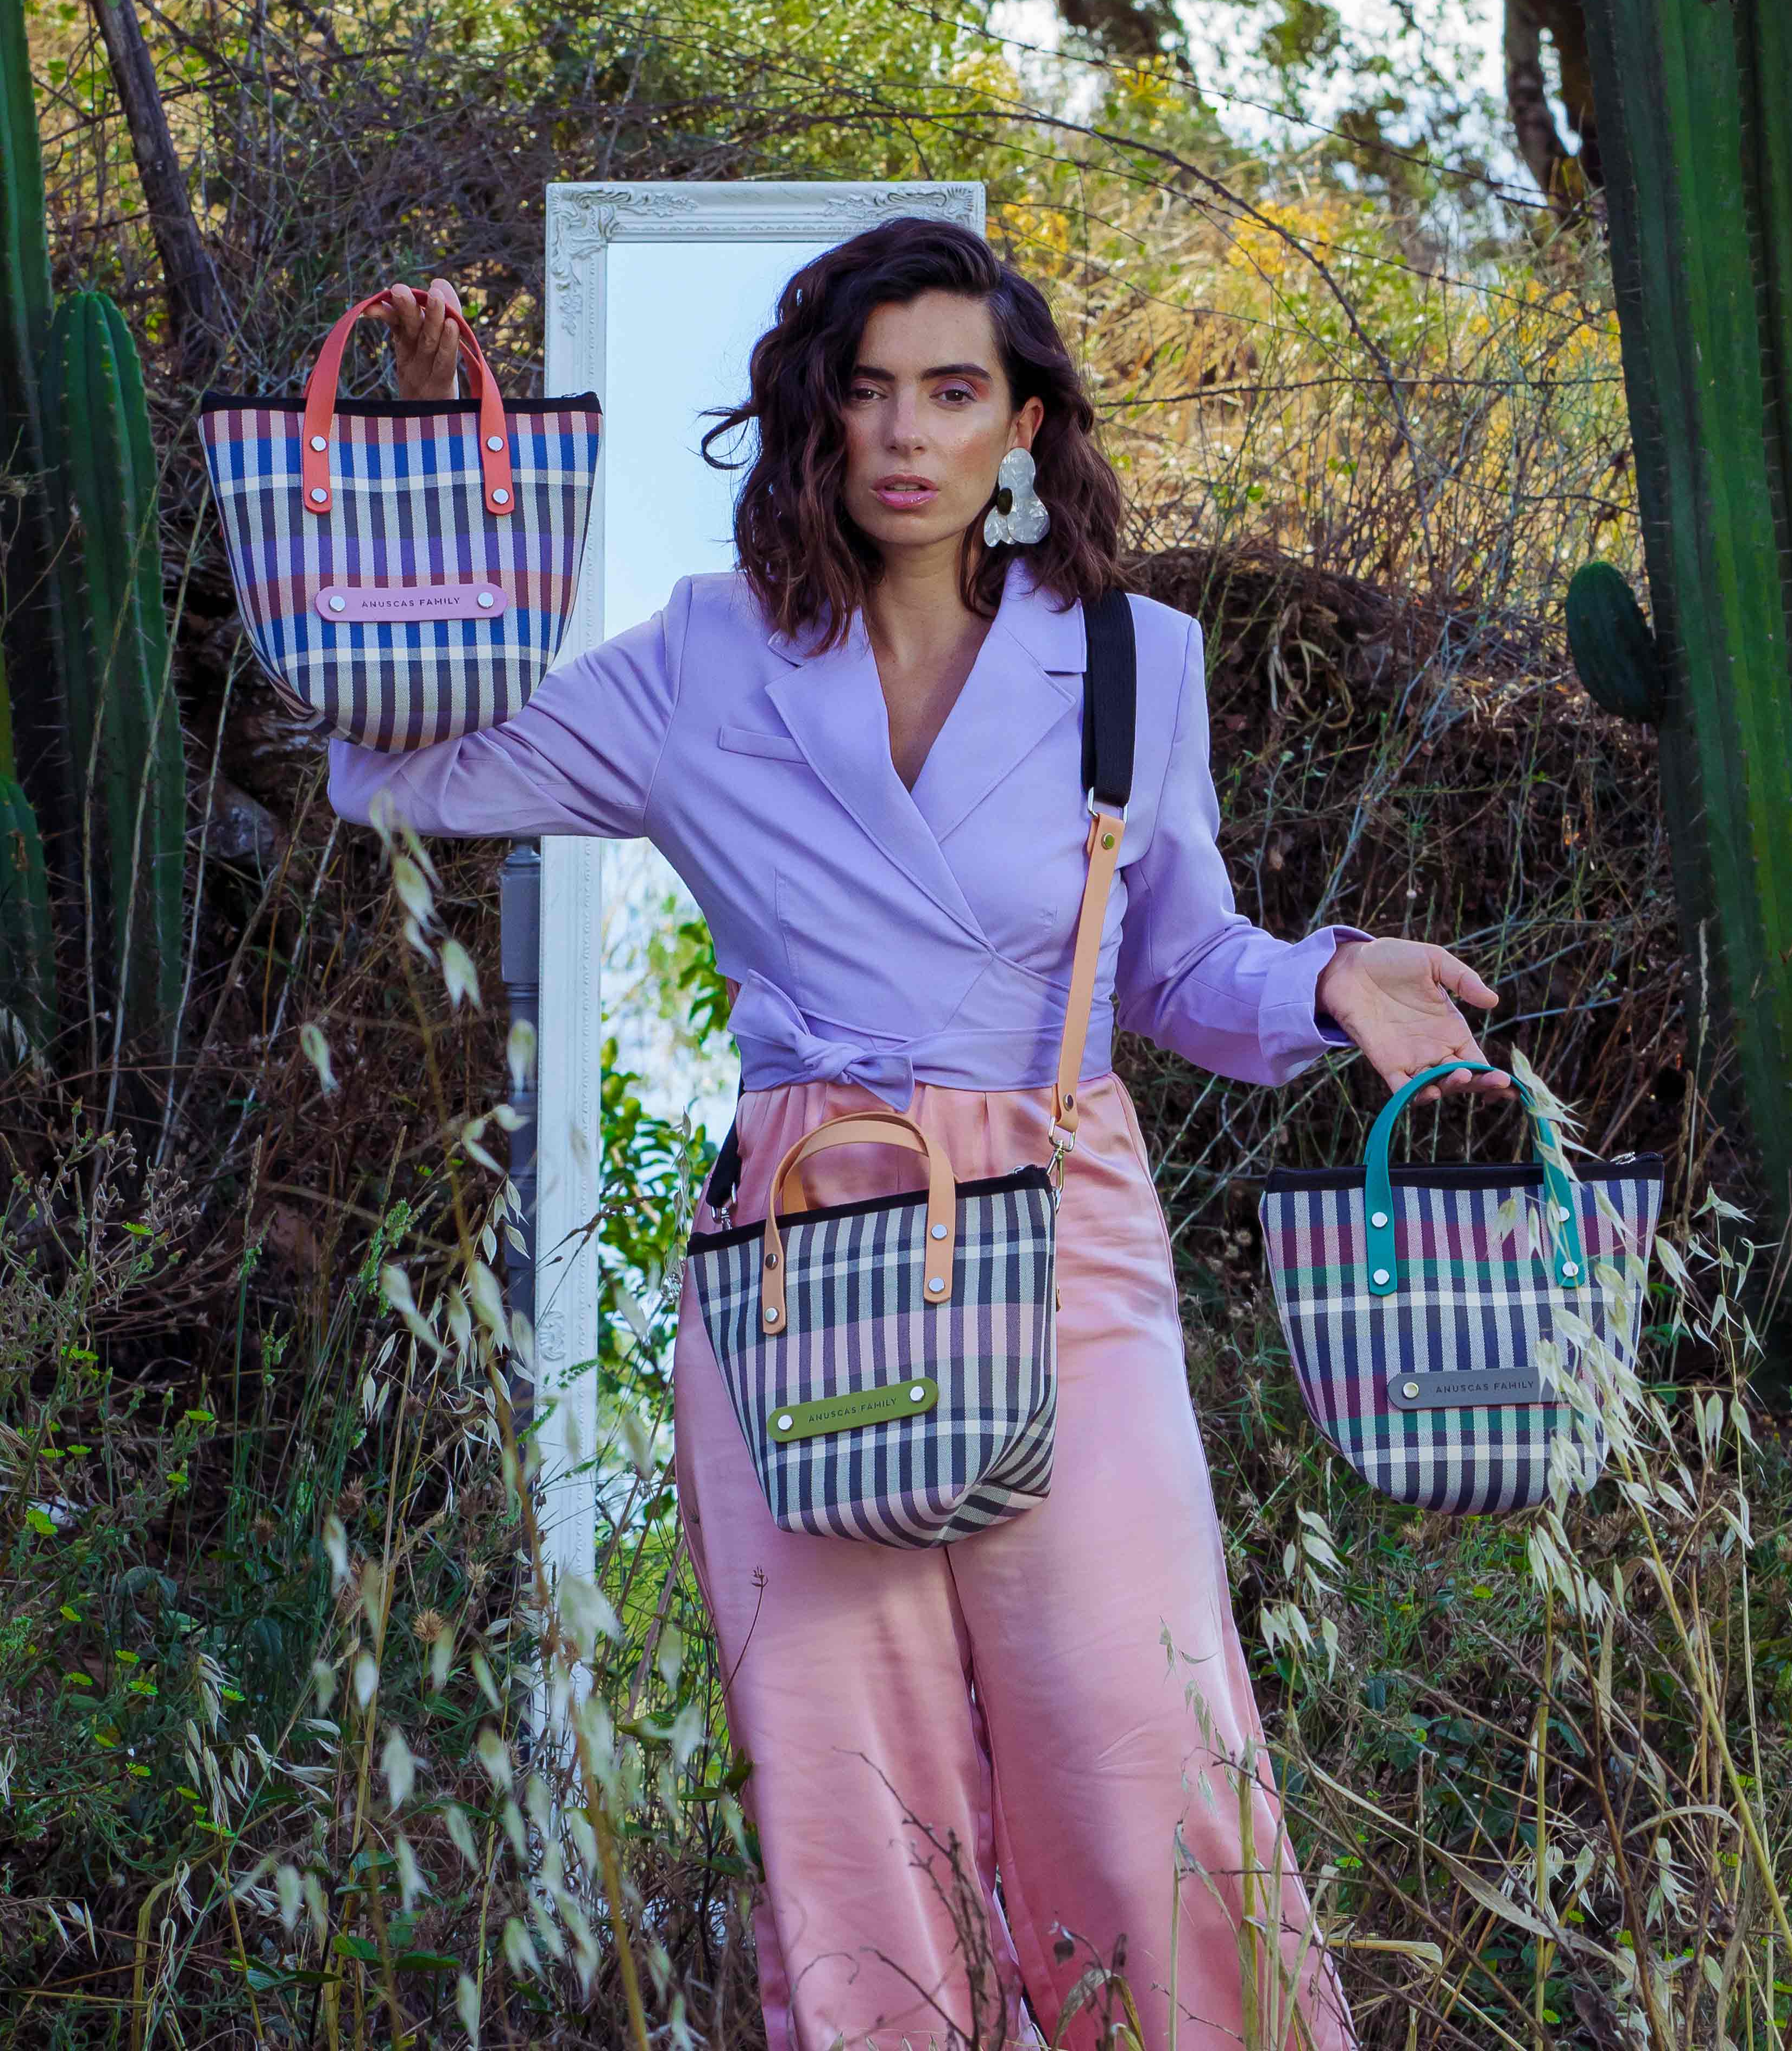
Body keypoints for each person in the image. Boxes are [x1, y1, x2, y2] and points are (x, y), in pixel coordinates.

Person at [332, 221, 1510, 2051]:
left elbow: (1177, 966)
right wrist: (427, 478)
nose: (905, 433)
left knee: (1143, 1752)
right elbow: (406, 765)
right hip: (807, 1245)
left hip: (1066, 1235)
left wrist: (1332, 977)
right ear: (815, 417)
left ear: (1021, 426)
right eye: (867, 391)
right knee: (846, 1795)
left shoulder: (1132, 658)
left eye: (953, 392)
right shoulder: (705, 657)